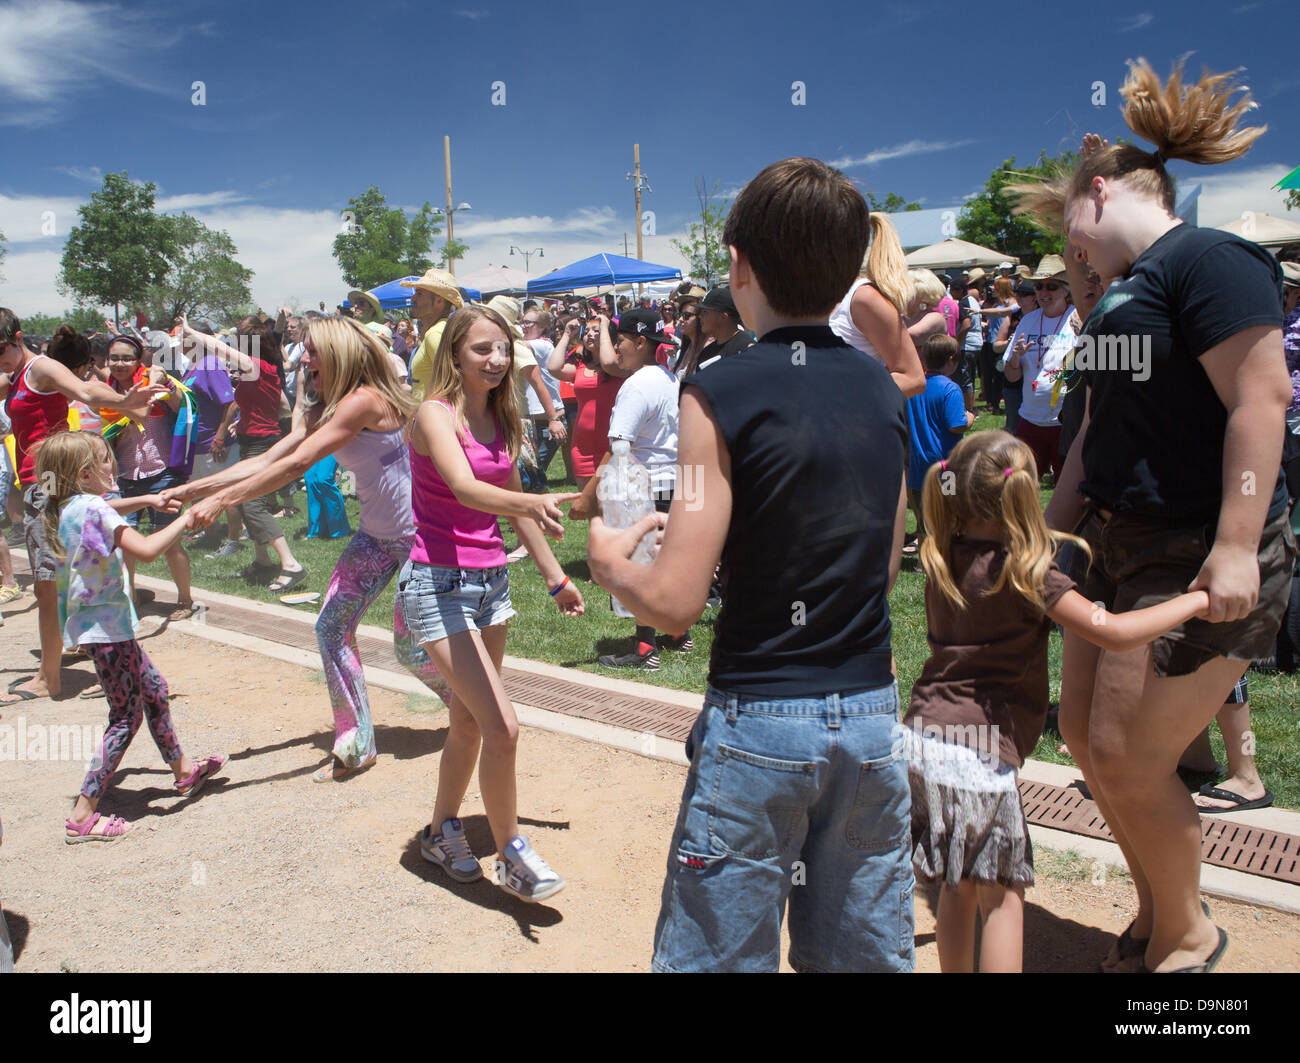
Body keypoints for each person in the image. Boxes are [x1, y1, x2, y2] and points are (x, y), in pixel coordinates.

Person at [587, 157, 914, 972]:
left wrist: (607, 561)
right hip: (871, 715)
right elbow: (878, 568)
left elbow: (672, 601)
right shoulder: (882, 387)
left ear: (737, 265)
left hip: (763, 718)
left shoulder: (718, 391)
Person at [1021, 59, 1295, 972]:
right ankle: (1154, 908)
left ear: (1100, 193)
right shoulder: (1122, 294)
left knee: (1135, 759)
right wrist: (1043, 543)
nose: (1073, 258)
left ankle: (1191, 931)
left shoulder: (1211, 259)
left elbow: (1262, 400)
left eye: (1072, 232)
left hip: (1197, 543)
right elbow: (1097, 432)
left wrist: (1235, 545)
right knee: (1093, 749)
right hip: (1112, 536)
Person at [904, 433, 1210, 973]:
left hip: (921, 740)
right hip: (978, 759)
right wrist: (1197, 599)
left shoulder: (939, 555)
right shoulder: (1031, 575)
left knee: (959, 886)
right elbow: (1114, 633)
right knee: (1001, 896)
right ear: (1024, 495)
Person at [180, 316, 431, 781]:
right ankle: (356, 742)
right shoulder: (332, 406)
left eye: (313, 351)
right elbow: (275, 453)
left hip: (421, 539)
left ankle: (480, 712)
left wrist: (221, 500)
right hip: (377, 538)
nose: (304, 358)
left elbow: (299, 462)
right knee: (331, 628)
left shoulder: (363, 402)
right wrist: (199, 490)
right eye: (305, 350)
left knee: (412, 649)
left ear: (339, 353)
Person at [398, 303, 583, 901]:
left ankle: (441, 831)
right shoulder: (433, 414)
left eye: (503, 348)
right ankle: (512, 851)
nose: (497, 359)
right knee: (502, 727)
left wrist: (555, 577)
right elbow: (465, 488)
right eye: (482, 349)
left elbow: (511, 498)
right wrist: (534, 503)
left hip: (489, 584)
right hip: (436, 583)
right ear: (454, 354)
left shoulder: (502, 422)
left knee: (470, 722)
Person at [37, 432, 226, 843]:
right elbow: (146, 550)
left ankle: (184, 772)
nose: (114, 467)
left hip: (98, 629)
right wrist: (184, 519)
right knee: (126, 716)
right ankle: (83, 814)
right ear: (86, 474)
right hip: (110, 631)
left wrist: (147, 501)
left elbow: (104, 509)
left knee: (155, 691)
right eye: (106, 461)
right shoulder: (94, 509)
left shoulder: (67, 505)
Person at [0, 315, 165, 704]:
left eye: (0, 350)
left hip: (52, 483)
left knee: (46, 582)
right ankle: (89, 658)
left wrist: (124, 402)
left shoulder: (41, 367)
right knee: (60, 577)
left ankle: (49, 678)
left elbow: (86, 391)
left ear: (17, 339)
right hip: (40, 484)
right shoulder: (17, 373)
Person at [573, 308, 692, 670]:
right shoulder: (667, 378)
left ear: (641, 342)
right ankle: (676, 633)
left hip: (643, 485)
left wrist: (587, 495)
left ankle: (645, 650)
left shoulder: (636, 385)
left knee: (637, 568)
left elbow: (619, 448)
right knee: (663, 562)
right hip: (669, 483)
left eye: (621, 341)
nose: (616, 350)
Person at [177, 314, 306, 592]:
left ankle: (291, 564)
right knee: (249, 501)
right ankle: (262, 562)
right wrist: (244, 421)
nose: (235, 348)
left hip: (262, 444)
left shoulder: (258, 367)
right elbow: (283, 406)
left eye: (241, 344)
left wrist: (192, 332)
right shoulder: (259, 372)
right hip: (253, 439)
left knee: (252, 504)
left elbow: (220, 350)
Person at [102, 334, 198, 621]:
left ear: (139, 358)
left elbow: (184, 406)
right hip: (125, 476)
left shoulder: (154, 382)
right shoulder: (105, 392)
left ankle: (185, 599)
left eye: (126, 358)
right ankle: (129, 599)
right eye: (114, 358)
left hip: (163, 473)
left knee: (168, 542)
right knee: (123, 542)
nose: (119, 363)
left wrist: (165, 382)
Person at [828, 213, 926, 396]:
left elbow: (913, 379)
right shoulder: (805, 302)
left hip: (856, 421)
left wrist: (836, 394)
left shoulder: (863, 299)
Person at [1001, 255, 1076, 481]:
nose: (1043, 293)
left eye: (1051, 286)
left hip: (1066, 422)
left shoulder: (1079, 319)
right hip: (1030, 419)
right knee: (1018, 485)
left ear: (1066, 290)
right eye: (1039, 286)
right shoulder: (1028, 321)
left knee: (1069, 490)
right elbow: (1012, 376)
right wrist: (1015, 358)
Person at [904, 334, 973, 553]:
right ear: (951, 359)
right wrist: (969, 417)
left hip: (918, 463)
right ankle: (944, 558)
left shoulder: (916, 386)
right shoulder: (950, 389)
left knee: (924, 517)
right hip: (946, 466)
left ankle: (923, 562)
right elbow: (956, 425)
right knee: (947, 512)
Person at [548, 315, 626, 490]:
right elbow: (553, 368)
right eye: (587, 330)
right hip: (582, 446)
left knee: (613, 508)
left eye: (596, 331)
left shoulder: (620, 363)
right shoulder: (581, 366)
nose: (590, 334)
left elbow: (607, 362)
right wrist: (567, 334)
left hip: (612, 445)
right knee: (589, 509)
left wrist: (605, 325)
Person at [403, 268, 461, 402]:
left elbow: (454, 383)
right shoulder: (440, 330)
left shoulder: (436, 333)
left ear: (439, 301)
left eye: (420, 294)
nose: (413, 298)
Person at [992, 281, 1037, 434]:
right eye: (1017, 293)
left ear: (1034, 297)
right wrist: (1009, 343)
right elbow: (996, 346)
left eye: (1024, 294)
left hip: (1034, 378)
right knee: (1013, 425)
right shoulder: (1012, 317)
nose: (1019, 297)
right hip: (1013, 380)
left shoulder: (1043, 316)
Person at [691, 285, 752, 372]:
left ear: (723, 317)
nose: (700, 316)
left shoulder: (746, 350)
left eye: (705, 312)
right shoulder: (706, 352)